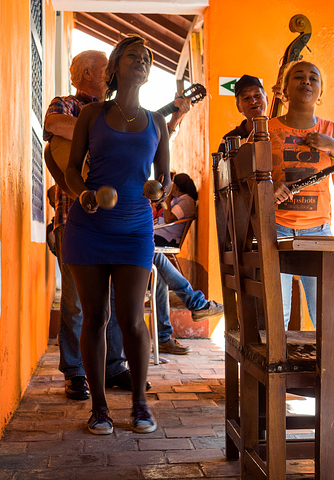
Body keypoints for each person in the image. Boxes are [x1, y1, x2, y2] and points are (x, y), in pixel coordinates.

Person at [63, 35, 169, 435]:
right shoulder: (92, 115)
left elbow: (166, 178)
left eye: (146, 57)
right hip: (88, 227)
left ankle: (140, 404)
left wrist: (160, 190)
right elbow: (72, 169)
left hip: (135, 229)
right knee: (95, 316)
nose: (141, 61)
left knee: (131, 318)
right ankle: (100, 407)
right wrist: (85, 194)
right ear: (115, 67)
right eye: (133, 56)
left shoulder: (157, 122)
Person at [43, 50, 132, 400]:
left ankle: (112, 367)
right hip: (73, 217)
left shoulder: (117, 110)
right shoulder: (65, 103)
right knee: (77, 302)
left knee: (113, 298)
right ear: (85, 73)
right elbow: (53, 126)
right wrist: (100, 135)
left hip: (113, 218)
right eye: (106, 70)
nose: (111, 76)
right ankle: (74, 370)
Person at [271, 61, 334, 329]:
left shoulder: (332, 131)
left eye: (313, 78)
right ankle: (278, 370)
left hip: (319, 231)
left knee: (325, 316)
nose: (306, 82)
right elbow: (247, 182)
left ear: (321, 92)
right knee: (277, 317)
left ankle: (324, 371)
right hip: (275, 229)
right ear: (285, 89)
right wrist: (267, 187)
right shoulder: (266, 130)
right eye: (298, 77)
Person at [152, 173, 224, 355]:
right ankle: (164, 337)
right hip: (155, 238)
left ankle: (194, 304)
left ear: (177, 186)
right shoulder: (181, 199)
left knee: (157, 257)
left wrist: (166, 200)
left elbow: (168, 219)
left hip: (163, 239)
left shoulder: (186, 201)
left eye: (172, 185)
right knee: (159, 272)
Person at [218, 74, 268, 153]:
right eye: (246, 98)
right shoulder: (228, 140)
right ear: (239, 107)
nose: (253, 101)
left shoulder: (279, 130)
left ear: (267, 99)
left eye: (257, 95)